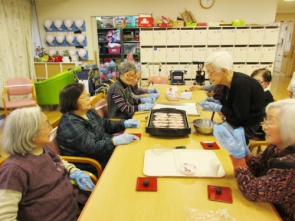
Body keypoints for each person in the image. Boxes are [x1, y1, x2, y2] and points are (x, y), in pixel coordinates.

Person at [0, 106, 94, 221]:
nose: (50, 127)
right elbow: (5, 216)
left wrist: (74, 171)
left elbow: (59, 161)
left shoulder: (43, 147)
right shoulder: (14, 169)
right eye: (46, 124)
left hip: (75, 207)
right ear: (31, 134)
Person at [213, 99, 295, 221]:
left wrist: (238, 158)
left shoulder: (290, 165)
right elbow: (256, 167)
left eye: (271, 122)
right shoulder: (276, 147)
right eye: (266, 120)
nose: (264, 126)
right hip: (268, 205)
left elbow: (253, 191)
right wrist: (243, 151)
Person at [57, 83, 140, 175]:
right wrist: (113, 141)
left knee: (137, 150)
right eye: (83, 97)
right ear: (71, 102)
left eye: (87, 95)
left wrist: (124, 123)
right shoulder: (69, 123)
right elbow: (92, 147)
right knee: (133, 162)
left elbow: (105, 124)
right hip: (93, 162)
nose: (88, 98)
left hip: (106, 150)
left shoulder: (88, 112)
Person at [199, 51, 265, 142]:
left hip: (245, 127)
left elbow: (239, 117)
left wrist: (219, 108)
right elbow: (229, 106)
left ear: (224, 71)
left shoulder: (241, 84)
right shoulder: (227, 83)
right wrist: (218, 103)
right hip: (234, 122)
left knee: (213, 141)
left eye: (211, 73)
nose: (208, 76)